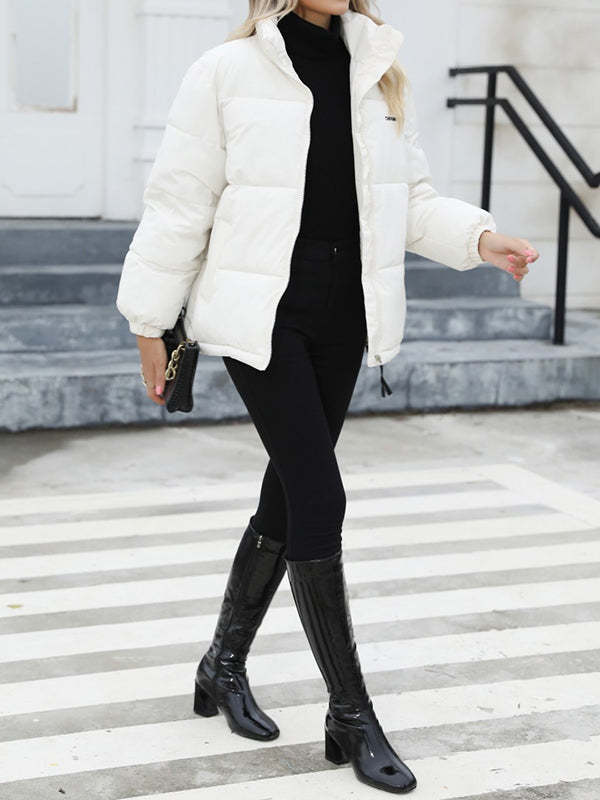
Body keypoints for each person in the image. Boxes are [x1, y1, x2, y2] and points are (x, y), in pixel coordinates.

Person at [116, 1, 538, 793]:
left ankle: (221, 666)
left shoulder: (377, 71)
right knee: (319, 494)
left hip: (345, 316)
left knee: (289, 492)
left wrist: (479, 239)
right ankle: (351, 714)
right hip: (261, 314)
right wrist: (148, 320)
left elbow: (410, 200)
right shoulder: (226, 71)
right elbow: (179, 202)